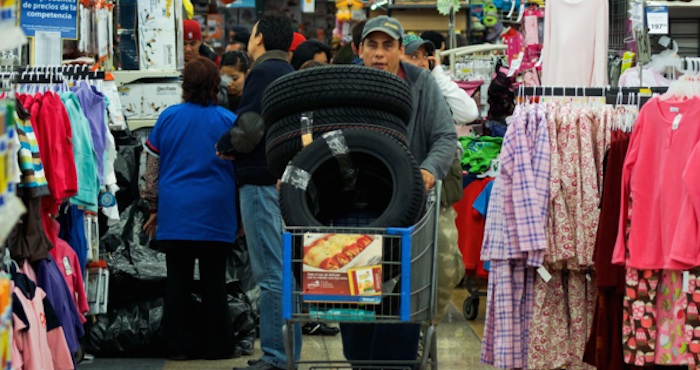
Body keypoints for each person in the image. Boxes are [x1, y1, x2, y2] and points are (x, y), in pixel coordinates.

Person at [340, 15, 458, 369]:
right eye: (372, 46)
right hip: (358, 207)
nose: (379, 54)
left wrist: (427, 170)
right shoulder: (345, 84)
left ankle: (399, 361)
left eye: (387, 46)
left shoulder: (422, 84)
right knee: (356, 291)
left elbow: (445, 136)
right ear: (359, 50)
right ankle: (362, 361)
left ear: (398, 50)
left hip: (411, 206)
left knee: (410, 290)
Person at [215, 12, 302, 370]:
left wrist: (225, 143)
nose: (249, 42)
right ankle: (287, 351)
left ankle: (277, 356)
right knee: (283, 271)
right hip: (281, 181)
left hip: (260, 181)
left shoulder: (263, 73)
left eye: (252, 36)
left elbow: (250, 125)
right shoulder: (288, 73)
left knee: (270, 274)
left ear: (261, 38)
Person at [141, 57, 239, 361]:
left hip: (177, 212)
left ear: (185, 86)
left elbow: (152, 170)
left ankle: (177, 346)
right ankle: (217, 346)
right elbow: (238, 171)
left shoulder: (168, 118)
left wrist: (153, 207)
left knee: (178, 282)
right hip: (217, 212)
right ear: (215, 86)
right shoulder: (228, 121)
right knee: (214, 283)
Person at [401, 32, 477, 325]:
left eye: (424, 55)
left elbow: (468, 112)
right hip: (393, 195)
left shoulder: (433, 85)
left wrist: (437, 74)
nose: (420, 61)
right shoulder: (386, 87)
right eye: (413, 55)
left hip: (434, 196)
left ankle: (426, 326)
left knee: (447, 268)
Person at [401, 33, 479, 125]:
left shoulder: (431, 92)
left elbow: (469, 114)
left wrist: (439, 75)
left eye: (425, 56)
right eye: (414, 56)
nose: (423, 63)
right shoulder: (393, 92)